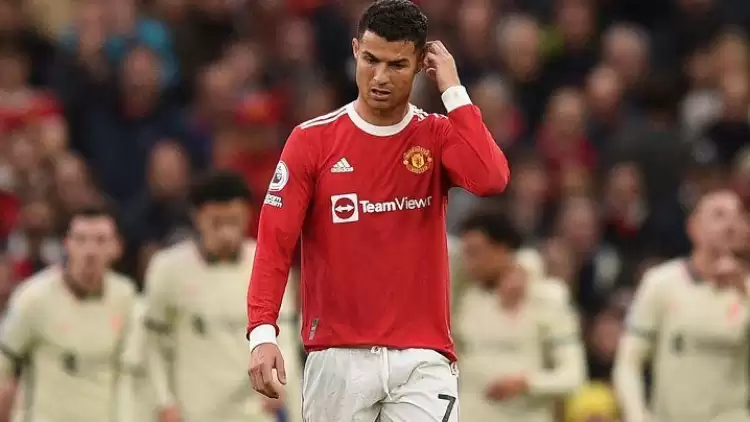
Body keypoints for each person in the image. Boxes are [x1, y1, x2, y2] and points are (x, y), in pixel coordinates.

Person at [247, 0, 510, 420]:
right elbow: (274, 243)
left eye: (397, 65)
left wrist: (453, 90)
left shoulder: (435, 135)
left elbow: (491, 177)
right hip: (337, 357)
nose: (380, 77)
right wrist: (262, 333)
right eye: (371, 60)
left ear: (421, 64)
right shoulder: (312, 142)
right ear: (355, 50)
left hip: (423, 357)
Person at [140, 171, 301, 422]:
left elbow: (286, 337)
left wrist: (283, 383)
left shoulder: (269, 263)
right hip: (196, 412)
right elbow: (152, 346)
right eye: (217, 222)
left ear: (247, 215)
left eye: (233, 221)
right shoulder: (168, 269)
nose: (226, 232)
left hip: (256, 412)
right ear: (197, 216)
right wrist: (164, 401)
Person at [613, 189, 750, 422]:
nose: (731, 225)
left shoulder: (746, 289)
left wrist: (743, 290)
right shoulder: (661, 282)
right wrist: (636, 415)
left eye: (738, 216)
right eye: (719, 215)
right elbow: (629, 361)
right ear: (693, 227)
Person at [0, 204, 137, 422]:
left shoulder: (126, 297)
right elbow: (3, 364)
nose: (90, 251)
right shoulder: (33, 298)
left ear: (116, 247)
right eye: (81, 240)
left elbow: (129, 375)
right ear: (66, 244)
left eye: (101, 240)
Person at [455, 209, 585, 422]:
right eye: (466, 254)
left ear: (502, 249)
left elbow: (573, 377)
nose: (468, 263)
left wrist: (526, 384)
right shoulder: (467, 299)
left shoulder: (548, 298)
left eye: (476, 252)